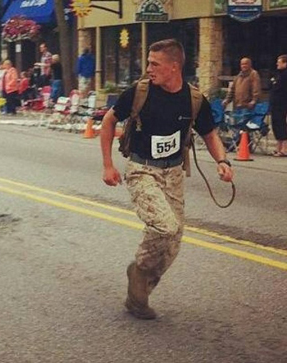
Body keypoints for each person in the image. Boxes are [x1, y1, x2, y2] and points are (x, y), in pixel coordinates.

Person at [100, 39, 233, 320]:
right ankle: (139, 270)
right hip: (141, 169)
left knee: (174, 243)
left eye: (155, 64)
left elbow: (209, 134)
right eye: (149, 62)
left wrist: (222, 161)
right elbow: (109, 121)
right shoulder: (140, 92)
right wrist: (108, 165)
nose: (149, 68)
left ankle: (141, 286)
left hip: (173, 173)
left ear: (174, 67)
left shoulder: (194, 99)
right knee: (164, 225)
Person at [222, 57, 261, 123]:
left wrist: (254, 100)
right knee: (237, 126)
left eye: (246, 64)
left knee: (244, 128)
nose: (243, 66)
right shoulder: (238, 76)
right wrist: (227, 100)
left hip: (247, 106)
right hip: (237, 106)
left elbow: (256, 88)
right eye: (242, 64)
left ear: (250, 64)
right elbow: (232, 90)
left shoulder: (253, 74)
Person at [270, 54, 287, 156]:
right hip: (275, 104)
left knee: (282, 125)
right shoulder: (278, 74)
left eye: (279, 62)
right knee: (276, 124)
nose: (277, 63)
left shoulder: (285, 75)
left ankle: (284, 148)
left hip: (283, 103)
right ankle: (278, 147)